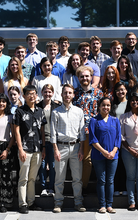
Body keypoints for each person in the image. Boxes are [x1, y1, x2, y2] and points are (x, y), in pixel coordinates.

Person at [51, 84, 86, 213]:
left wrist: (82, 149)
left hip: (76, 147)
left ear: (73, 95)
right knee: (59, 178)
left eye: (70, 93)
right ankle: (58, 203)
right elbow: (53, 133)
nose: (67, 95)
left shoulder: (79, 111)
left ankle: (78, 202)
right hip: (61, 147)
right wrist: (55, 149)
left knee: (77, 178)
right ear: (61, 94)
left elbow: (82, 133)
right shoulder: (55, 112)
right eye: (65, 93)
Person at [13, 85, 47, 214]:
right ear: (24, 96)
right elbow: (16, 131)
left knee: (33, 178)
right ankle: (22, 203)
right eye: (29, 94)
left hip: (37, 149)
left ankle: (31, 202)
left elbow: (42, 131)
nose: (32, 96)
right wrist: (20, 149)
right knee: (23, 178)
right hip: (25, 149)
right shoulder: (20, 111)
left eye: (34, 93)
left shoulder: (40, 111)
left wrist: (43, 147)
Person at [73, 66, 103, 192]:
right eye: (82, 76)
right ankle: (81, 187)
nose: (84, 78)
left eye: (87, 76)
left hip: (94, 130)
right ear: (78, 78)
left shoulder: (98, 93)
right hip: (78, 131)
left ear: (91, 77)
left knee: (90, 159)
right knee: (81, 159)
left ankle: (87, 186)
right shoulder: (74, 93)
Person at [89, 97, 121, 214]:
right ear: (99, 106)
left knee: (110, 180)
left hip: (113, 155)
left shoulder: (115, 120)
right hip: (98, 155)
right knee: (101, 180)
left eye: (108, 105)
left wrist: (113, 151)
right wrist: (103, 151)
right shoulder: (94, 120)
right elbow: (93, 139)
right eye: (103, 105)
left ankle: (109, 205)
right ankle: (102, 205)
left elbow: (118, 138)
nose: (106, 107)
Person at [37, 84, 60, 197]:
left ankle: (51, 187)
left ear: (53, 93)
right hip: (40, 139)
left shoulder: (56, 106)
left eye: (50, 92)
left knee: (52, 164)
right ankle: (43, 187)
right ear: (42, 92)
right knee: (41, 165)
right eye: (45, 92)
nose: (47, 94)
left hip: (52, 139)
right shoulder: (37, 106)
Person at [110, 82, 128, 196]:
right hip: (115, 138)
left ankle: (125, 187)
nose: (120, 92)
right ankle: (117, 187)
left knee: (125, 164)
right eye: (118, 90)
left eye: (122, 89)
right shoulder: (112, 105)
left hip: (127, 137)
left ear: (126, 90)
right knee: (116, 164)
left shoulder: (130, 104)